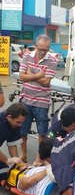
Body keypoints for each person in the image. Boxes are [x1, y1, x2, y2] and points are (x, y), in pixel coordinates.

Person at [18, 34, 58, 163]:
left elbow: (46, 82)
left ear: (48, 48)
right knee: (23, 130)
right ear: (35, 46)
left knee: (42, 132)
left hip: (42, 101)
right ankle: (23, 155)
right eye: (40, 48)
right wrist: (39, 75)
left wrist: (30, 74)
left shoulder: (52, 60)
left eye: (45, 49)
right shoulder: (27, 56)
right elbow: (21, 77)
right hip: (26, 99)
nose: (42, 52)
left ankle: (39, 158)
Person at [0, 103, 27, 180]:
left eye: (22, 122)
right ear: (9, 117)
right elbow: (7, 160)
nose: (20, 125)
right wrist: (7, 160)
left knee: (5, 173)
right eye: (18, 122)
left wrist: (17, 163)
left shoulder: (14, 124)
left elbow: (12, 145)